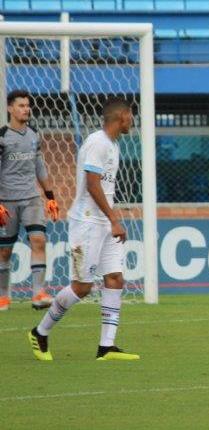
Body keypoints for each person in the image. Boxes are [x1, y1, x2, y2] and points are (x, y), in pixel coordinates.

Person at [27, 97, 139, 362]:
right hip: (87, 222)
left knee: (115, 278)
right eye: (131, 114)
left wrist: (111, 219)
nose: (133, 120)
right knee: (82, 287)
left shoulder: (112, 145)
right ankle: (40, 331)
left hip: (105, 222)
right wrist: (114, 219)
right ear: (121, 116)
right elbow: (92, 184)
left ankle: (106, 347)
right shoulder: (97, 142)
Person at [0, 89, 59, 311]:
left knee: (38, 240)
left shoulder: (34, 134)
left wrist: (50, 196)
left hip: (32, 198)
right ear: (10, 108)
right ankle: (3, 295)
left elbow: (40, 166)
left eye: (28, 105)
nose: (26, 109)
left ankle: (38, 294)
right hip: (7, 202)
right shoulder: (2, 137)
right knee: (4, 251)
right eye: (21, 106)